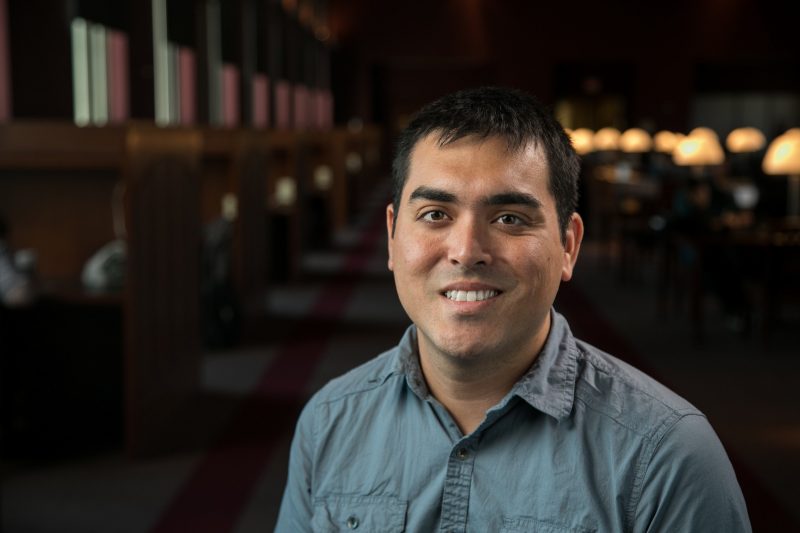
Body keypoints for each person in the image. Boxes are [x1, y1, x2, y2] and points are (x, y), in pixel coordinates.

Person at [276, 87, 751, 532]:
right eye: (435, 214)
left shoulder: (667, 455)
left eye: (509, 218)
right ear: (393, 236)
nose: (466, 251)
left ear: (568, 245)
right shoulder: (328, 422)